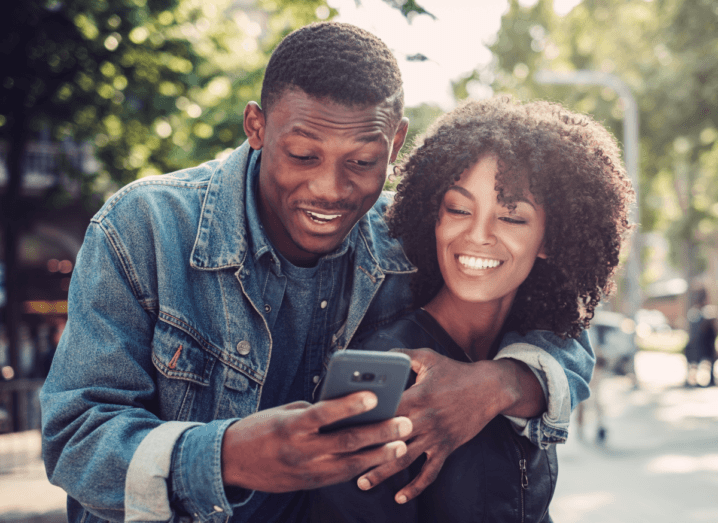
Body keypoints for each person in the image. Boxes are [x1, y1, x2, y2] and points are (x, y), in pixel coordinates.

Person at [40, 23, 595, 523]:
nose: (330, 188)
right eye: (303, 155)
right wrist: (230, 456)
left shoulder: (407, 236)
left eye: (361, 161)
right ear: (257, 126)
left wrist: (500, 384)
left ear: (395, 144)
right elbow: (74, 440)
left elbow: (558, 311)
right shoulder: (143, 227)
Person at [313, 96, 634, 522]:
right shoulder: (386, 369)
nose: (478, 235)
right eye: (459, 209)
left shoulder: (527, 365)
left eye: (512, 217)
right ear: (434, 216)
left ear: (551, 239)